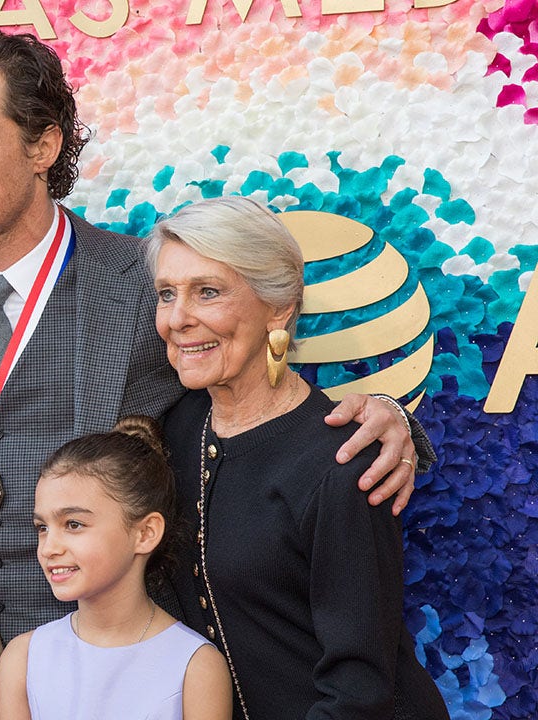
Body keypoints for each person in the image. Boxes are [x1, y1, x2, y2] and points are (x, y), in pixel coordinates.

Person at [0, 27, 431, 641]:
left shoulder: (149, 285)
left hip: (112, 668)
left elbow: (251, 400)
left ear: (43, 146)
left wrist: (385, 413)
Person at [151, 196, 448, 719]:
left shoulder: (345, 461)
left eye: (208, 292)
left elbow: (359, 692)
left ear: (281, 306)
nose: (178, 319)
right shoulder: (176, 428)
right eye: (166, 294)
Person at [0, 417, 231, 720]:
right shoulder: (23, 660)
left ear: (145, 533)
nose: (49, 547)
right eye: (42, 527)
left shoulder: (196, 667)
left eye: (74, 524)